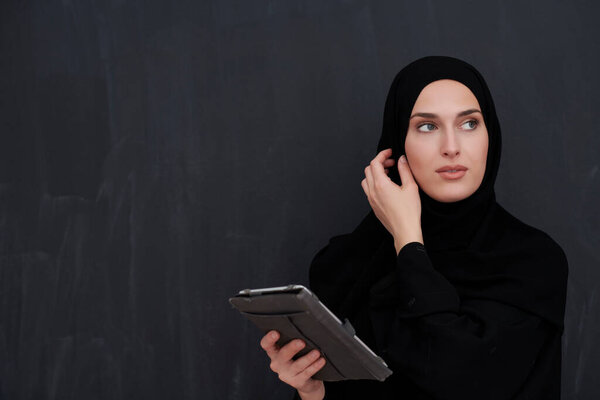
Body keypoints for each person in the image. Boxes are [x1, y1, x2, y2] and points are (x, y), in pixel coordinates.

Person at [259, 55, 569, 399]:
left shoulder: (532, 262)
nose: (451, 147)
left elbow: (456, 376)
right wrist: (312, 392)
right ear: (398, 144)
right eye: (427, 126)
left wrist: (408, 240)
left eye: (469, 124)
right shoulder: (348, 265)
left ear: (490, 136)